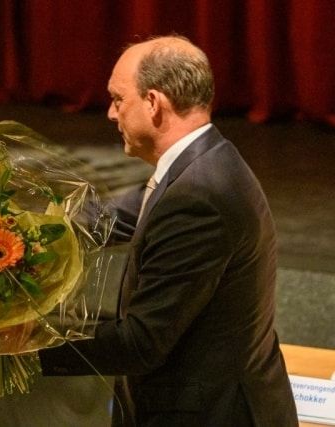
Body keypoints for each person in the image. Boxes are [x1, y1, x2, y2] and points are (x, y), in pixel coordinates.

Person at [39, 35, 298, 426]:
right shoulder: (202, 162)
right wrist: (20, 232)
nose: (111, 113)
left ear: (154, 103)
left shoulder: (199, 195)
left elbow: (141, 342)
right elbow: (111, 217)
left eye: (118, 99)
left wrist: (28, 341)